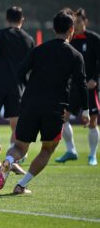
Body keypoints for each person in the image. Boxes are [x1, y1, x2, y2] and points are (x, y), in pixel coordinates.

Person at [0, 9, 90, 194]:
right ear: (71, 29)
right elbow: (82, 85)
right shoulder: (75, 55)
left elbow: (20, 73)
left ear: (54, 29)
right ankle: (21, 185)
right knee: (47, 149)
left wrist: (29, 89)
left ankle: (8, 161)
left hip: (30, 104)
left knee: (19, 147)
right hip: (54, 108)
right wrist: (85, 111)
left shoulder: (39, 50)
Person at [0, 6, 34, 174]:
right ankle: (12, 160)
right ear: (22, 20)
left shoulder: (1, 34)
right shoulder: (29, 39)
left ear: (6, 19)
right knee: (16, 126)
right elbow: (31, 67)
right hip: (18, 86)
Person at [55, 8, 100, 166]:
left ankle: (92, 155)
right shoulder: (70, 40)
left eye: (80, 21)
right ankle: (71, 150)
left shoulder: (94, 39)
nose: (77, 25)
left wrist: (95, 79)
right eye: (75, 22)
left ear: (85, 22)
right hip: (72, 88)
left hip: (90, 87)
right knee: (63, 118)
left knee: (93, 121)